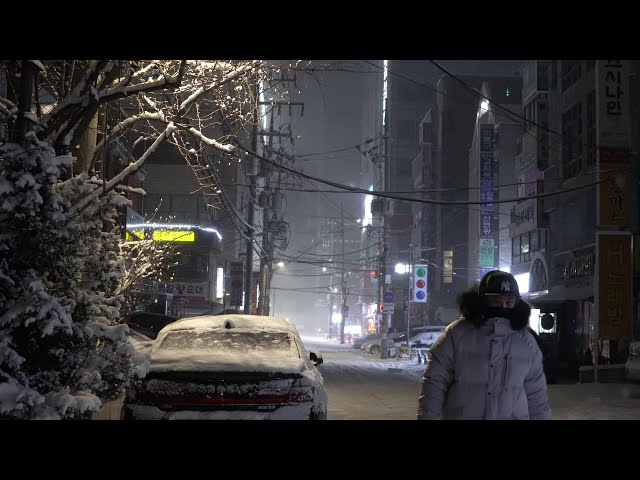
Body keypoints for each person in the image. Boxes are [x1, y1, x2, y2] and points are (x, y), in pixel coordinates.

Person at [417, 270, 551, 420]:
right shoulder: (457, 335)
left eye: (508, 301)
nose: (503, 306)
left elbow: (537, 396)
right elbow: (434, 383)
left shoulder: (526, 342)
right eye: (496, 300)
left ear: (516, 302)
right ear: (482, 300)